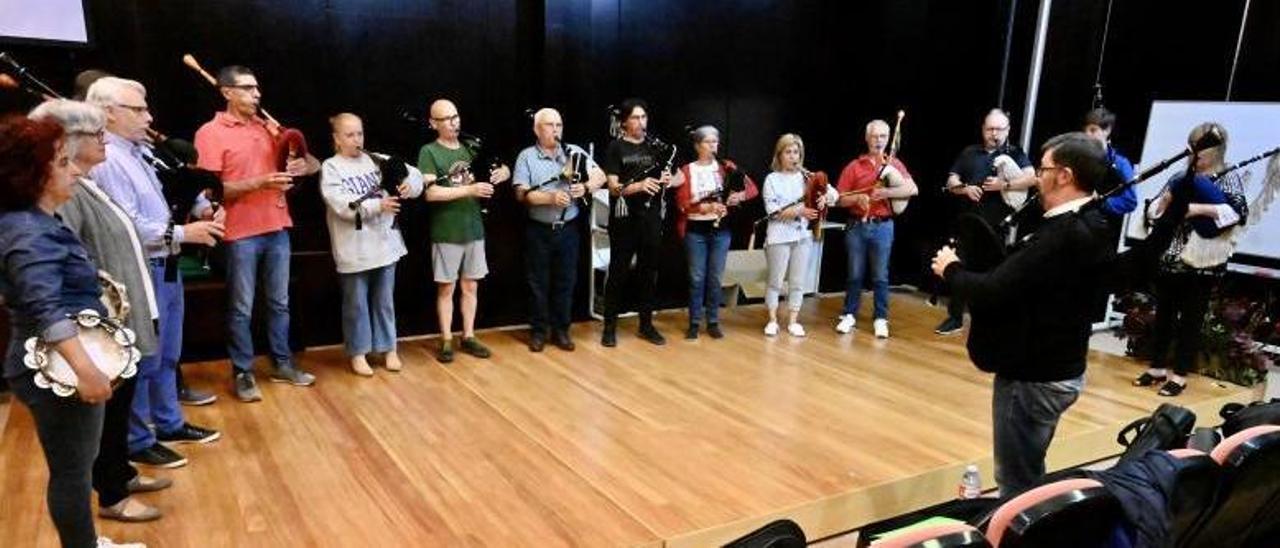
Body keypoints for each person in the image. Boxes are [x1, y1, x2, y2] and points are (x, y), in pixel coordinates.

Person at [931, 132, 1115, 495]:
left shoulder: (1059, 236)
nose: (1036, 177)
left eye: (1043, 169)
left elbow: (991, 290)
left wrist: (950, 269)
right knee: (1029, 467)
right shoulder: (1096, 222)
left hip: (1034, 378)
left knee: (1016, 482)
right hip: (1065, 368)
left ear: (1064, 175)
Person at [0, 114, 144, 548]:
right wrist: (87, 371)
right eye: (63, 162)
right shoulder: (28, 232)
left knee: (77, 466)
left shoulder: (36, 221)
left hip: (62, 361)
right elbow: (45, 309)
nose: (76, 169)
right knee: (73, 473)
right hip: (56, 370)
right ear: (34, 173)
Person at [31, 99, 172, 522]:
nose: (103, 139)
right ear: (69, 144)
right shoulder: (66, 194)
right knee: (99, 422)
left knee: (118, 411)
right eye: (95, 134)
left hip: (116, 324)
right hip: (98, 331)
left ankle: (120, 472)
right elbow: (64, 265)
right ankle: (111, 495)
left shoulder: (88, 183)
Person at [86, 77, 223, 467]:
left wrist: (201, 210)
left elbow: (166, 195)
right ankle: (138, 437)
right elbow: (125, 224)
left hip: (167, 261)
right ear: (108, 113)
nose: (148, 116)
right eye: (138, 109)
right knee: (144, 354)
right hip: (141, 266)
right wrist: (183, 231)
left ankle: (167, 422)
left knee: (167, 351)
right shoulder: (109, 159)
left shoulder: (139, 152)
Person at [194, 65, 320, 402]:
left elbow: (314, 165)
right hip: (239, 233)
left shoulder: (268, 127)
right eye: (248, 88)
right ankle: (243, 371)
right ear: (227, 93)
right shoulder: (210, 132)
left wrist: (299, 161)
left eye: (257, 88)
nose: (257, 94)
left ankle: (282, 362)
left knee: (279, 302)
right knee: (241, 307)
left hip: (277, 225)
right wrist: (259, 182)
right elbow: (208, 192)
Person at [1133, 122, 1247, 397]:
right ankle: (1157, 367)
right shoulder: (1180, 175)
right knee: (1165, 316)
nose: (1198, 155)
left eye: (1205, 149)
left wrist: (1196, 208)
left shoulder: (1227, 176)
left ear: (1217, 150)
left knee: (1191, 321)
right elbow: (1153, 211)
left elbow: (1237, 214)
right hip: (1171, 257)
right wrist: (1161, 208)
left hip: (1203, 262)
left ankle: (1180, 374)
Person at [320, 113, 424, 375]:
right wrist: (378, 205)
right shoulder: (331, 167)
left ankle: (389, 348)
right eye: (350, 135)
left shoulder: (376, 159)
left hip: (384, 245)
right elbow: (341, 204)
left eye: (360, 133)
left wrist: (408, 186)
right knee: (356, 304)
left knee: (384, 300)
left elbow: (415, 175)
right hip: (354, 249)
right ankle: (358, 353)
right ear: (337, 139)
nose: (357, 139)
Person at [418, 99, 511, 363]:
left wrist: (503, 172)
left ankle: (468, 335)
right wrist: (469, 190)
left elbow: (500, 164)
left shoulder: (472, 147)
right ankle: (446, 338)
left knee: (471, 285)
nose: (453, 122)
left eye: (455, 117)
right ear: (433, 123)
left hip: (474, 227)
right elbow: (430, 193)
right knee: (446, 287)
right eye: (446, 119)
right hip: (446, 230)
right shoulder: (429, 152)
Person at [511, 108, 605, 352]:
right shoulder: (527, 157)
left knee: (566, 281)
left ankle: (562, 330)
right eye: (549, 125)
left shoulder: (573, 152)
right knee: (538, 282)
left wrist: (584, 187)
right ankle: (539, 331)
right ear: (536, 129)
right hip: (538, 230)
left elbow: (601, 176)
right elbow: (522, 194)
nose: (555, 130)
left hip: (568, 229)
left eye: (559, 125)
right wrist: (551, 197)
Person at [937, 109, 1036, 335]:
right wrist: (964, 189)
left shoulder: (1015, 153)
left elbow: (1032, 178)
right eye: (990, 129)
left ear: (1008, 130)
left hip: (995, 226)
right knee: (958, 267)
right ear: (983, 129)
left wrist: (1005, 186)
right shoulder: (970, 152)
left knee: (993, 274)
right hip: (967, 222)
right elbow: (952, 180)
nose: (994, 133)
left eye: (999, 129)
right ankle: (955, 318)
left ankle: (990, 323)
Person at [671, 125, 758, 340]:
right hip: (696, 230)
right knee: (697, 277)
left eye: (715, 142)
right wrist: (703, 208)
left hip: (720, 230)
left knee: (715, 277)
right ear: (698, 145)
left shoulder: (726, 167)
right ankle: (693, 323)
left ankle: (712, 321)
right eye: (708, 142)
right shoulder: (687, 170)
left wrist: (738, 197)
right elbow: (681, 203)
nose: (713, 146)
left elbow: (752, 189)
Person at [833, 119, 918, 338]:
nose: (878, 141)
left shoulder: (894, 164)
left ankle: (881, 318)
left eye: (882, 137)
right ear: (866, 138)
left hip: (883, 227)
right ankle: (849, 314)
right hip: (857, 226)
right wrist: (857, 199)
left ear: (888, 139)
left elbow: (912, 189)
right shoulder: (854, 166)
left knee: (880, 275)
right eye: (874, 136)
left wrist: (887, 194)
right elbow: (839, 199)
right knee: (854, 274)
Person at [601, 98, 671, 347]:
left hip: (650, 217)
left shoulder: (655, 148)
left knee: (648, 272)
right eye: (635, 118)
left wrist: (666, 180)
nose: (641, 122)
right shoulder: (616, 148)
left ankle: (646, 324)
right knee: (619, 270)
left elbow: (673, 178)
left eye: (644, 117)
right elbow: (612, 186)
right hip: (624, 218)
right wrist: (638, 186)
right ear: (624, 122)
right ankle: (609, 326)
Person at [761, 133, 836, 338]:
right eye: (788, 152)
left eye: (796, 152)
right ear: (780, 155)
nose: (793, 156)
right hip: (778, 236)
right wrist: (799, 211)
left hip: (802, 236)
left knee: (797, 281)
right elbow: (772, 210)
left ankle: (793, 320)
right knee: (775, 281)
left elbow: (834, 194)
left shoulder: (807, 177)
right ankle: (772, 319)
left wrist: (824, 200)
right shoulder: (772, 179)